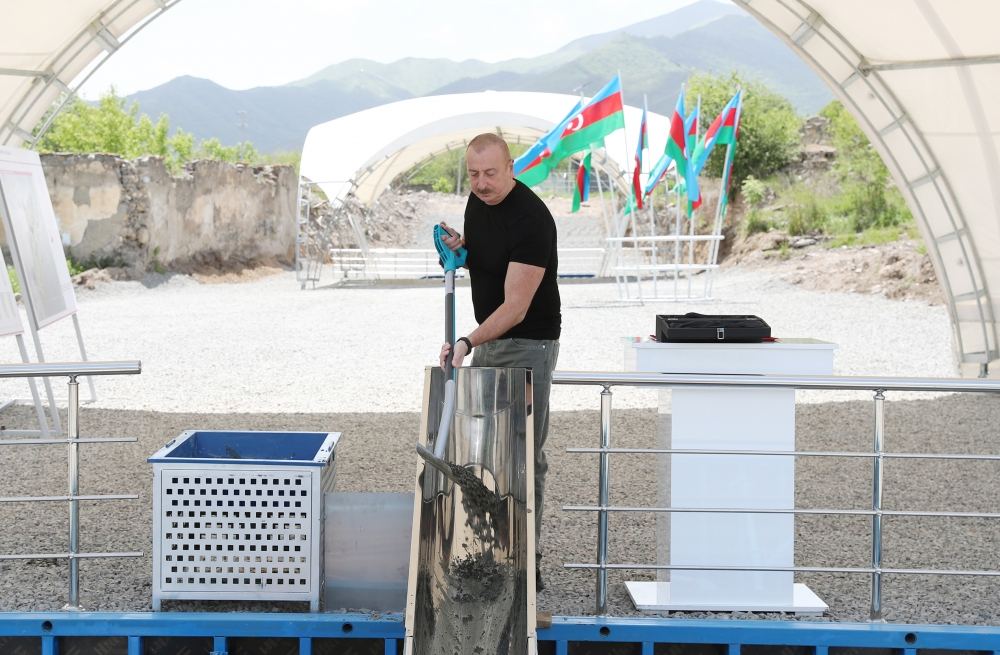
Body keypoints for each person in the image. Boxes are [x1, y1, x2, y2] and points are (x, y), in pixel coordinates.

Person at [438, 132, 561, 590]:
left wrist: (466, 342)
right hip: (489, 341)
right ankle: (488, 557)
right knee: (483, 453)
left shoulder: (532, 219)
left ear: (511, 167)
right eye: (473, 174)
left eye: (491, 173)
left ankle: (527, 565)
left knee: (524, 456)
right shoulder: (478, 202)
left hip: (527, 344)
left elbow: (515, 307)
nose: (482, 183)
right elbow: (490, 252)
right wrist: (463, 247)